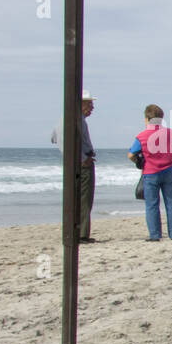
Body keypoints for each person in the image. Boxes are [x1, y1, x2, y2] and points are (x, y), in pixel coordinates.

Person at [128, 104, 172, 241]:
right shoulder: (171, 133)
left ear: (146, 119)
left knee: (152, 205)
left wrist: (139, 162)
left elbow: (130, 154)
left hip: (150, 172)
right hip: (168, 171)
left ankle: (155, 235)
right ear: (161, 119)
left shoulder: (142, 136)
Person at [76, 91, 97, 242]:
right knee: (84, 198)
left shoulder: (79, 120)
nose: (92, 107)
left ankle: (82, 232)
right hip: (83, 164)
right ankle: (82, 233)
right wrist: (83, 158)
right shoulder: (77, 120)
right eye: (89, 104)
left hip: (82, 161)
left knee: (83, 199)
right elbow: (59, 137)